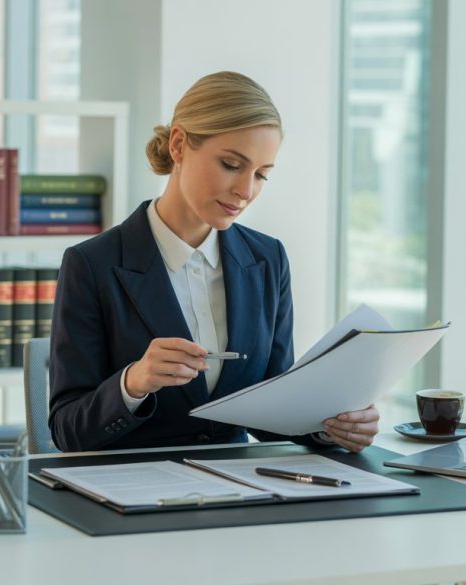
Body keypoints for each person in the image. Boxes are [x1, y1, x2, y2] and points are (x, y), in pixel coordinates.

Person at [47, 71, 379, 453]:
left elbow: (273, 410)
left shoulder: (267, 260)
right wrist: (133, 382)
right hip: (133, 493)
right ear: (178, 145)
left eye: (261, 175)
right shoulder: (92, 265)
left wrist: (332, 426)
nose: (246, 190)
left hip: (239, 491)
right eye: (231, 165)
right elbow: (67, 430)